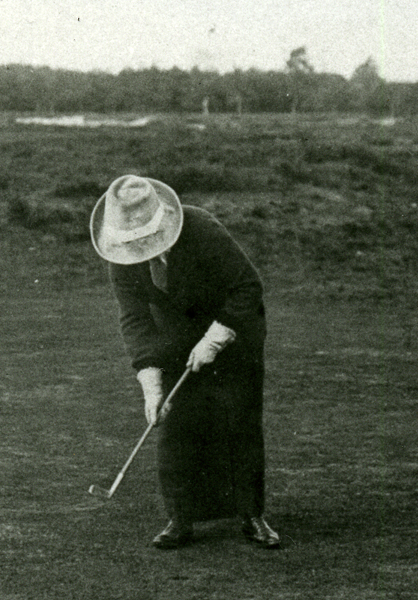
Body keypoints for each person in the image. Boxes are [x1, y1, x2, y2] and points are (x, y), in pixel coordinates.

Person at [91, 174, 279, 549]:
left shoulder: (202, 228)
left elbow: (248, 286)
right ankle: (180, 517)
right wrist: (150, 380)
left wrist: (216, 337)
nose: (140, 246)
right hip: (175, 337)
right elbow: (134, 317)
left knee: (238, 420)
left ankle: (251, 514)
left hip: (234, 328)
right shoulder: (119, 251)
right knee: (175, 425)